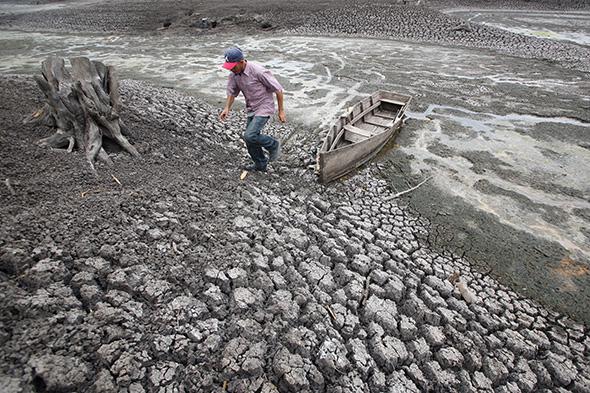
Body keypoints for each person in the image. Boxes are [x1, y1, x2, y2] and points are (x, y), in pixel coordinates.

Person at [218, 47, 286, 172]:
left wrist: (281, 111)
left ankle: (273, 144)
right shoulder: (234, 75)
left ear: (241, 61)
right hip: (251, 107)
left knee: (249, 135)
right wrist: (227, 108)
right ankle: (260, 164)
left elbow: (278, 89)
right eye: (229, 67)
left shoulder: (258, 71)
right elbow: (232, 92)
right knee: (249, 140)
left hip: (264, 106)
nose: (231, 69)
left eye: (233, 66)